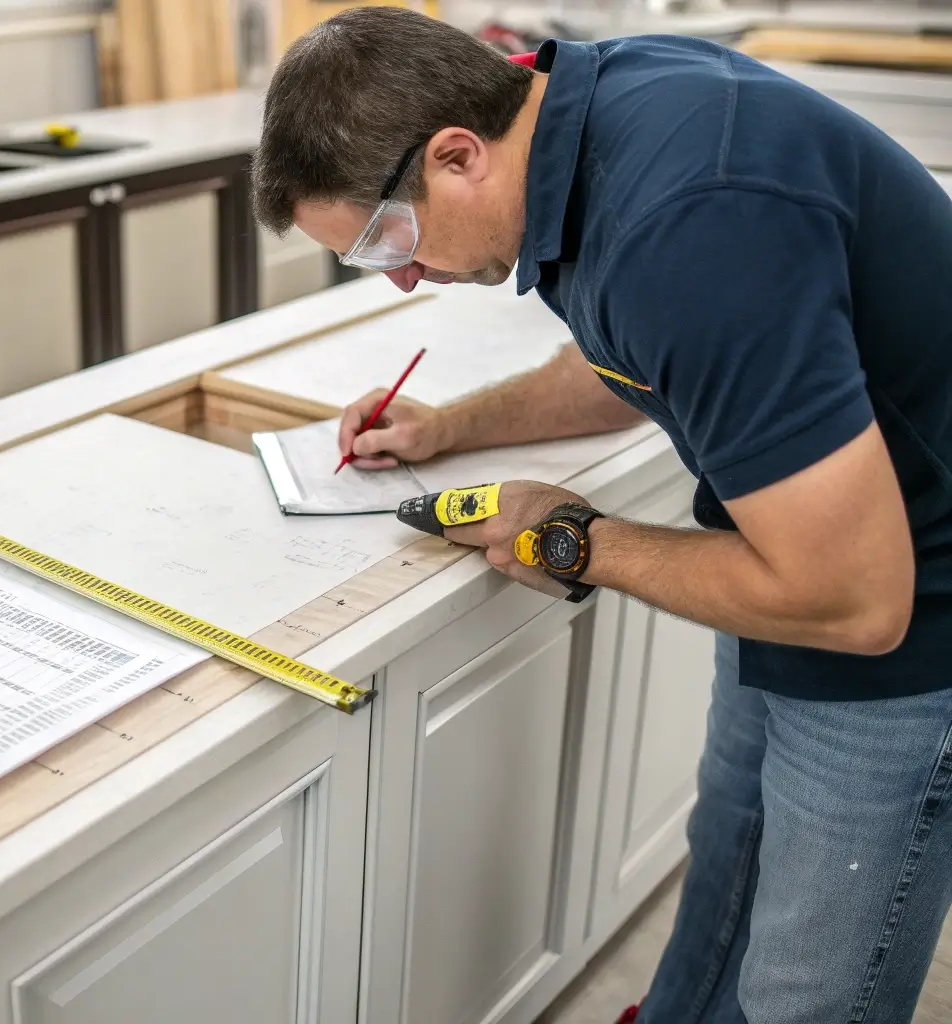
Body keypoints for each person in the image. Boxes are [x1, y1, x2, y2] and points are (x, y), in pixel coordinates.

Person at [252, 9, 952, 1023]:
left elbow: (856, 602)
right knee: (731, 854)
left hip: (910, 611)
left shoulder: (692, 219)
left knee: (805, 988)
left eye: (385, 238)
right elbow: (634, 349)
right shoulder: (580, 116)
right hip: (797, 543)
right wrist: (451, 427)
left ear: (456, 155)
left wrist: (570, 538)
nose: (401, 275)